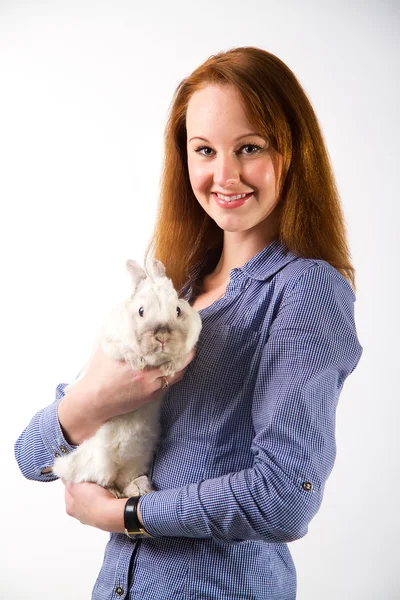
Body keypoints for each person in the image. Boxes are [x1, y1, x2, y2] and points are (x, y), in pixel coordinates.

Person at [15, 46, 363, 600]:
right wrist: (93, 399)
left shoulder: (304, 290)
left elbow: (286, 498)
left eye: (249, 148)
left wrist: (130, 513)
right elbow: (30, 458)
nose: (224, 175)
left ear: (292, 153)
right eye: (205, 150)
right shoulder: (171, 294)